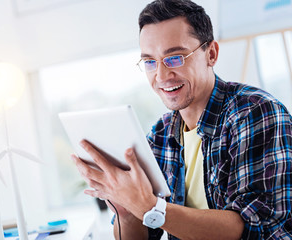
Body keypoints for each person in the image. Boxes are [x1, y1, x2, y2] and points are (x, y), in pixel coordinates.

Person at [71, 0, 292, 239]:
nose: (162, 75)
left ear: (212, 54)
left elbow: (255, 228)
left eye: (175, 57)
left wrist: (150, 207)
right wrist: (126, 208)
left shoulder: (255, 113)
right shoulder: (160, 136)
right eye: (149, 62)